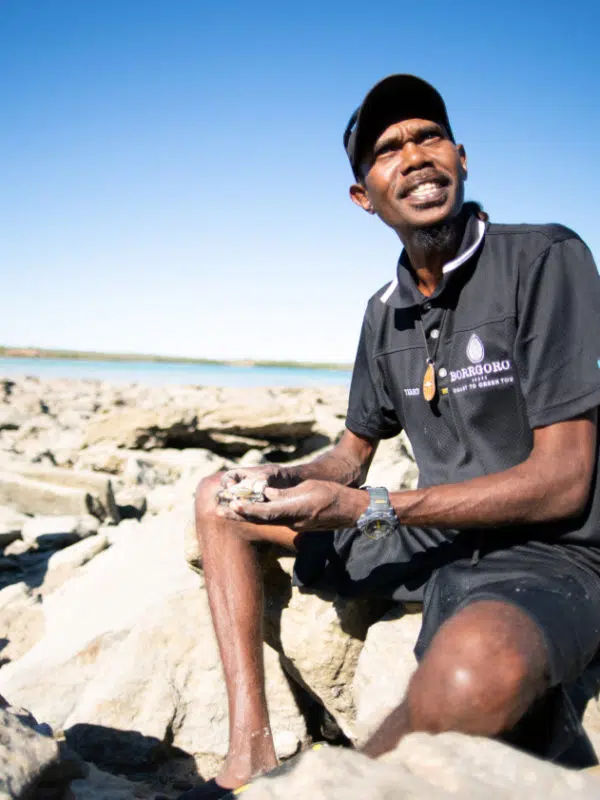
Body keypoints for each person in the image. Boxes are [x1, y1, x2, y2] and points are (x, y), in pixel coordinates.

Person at [183, 75, 600, 799]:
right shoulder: (385, 313)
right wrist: (290, 479)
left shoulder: (544, 259)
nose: (413, 157)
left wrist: (370, 508)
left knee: (471, 672)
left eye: (427, 137)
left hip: (551, 550)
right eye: (387, 150)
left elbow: (565, 481)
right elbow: (352, 453)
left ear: (461, 158)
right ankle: (250, 749)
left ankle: (329, 788)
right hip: (431, 534)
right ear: (363, 197)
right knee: (222, 495)